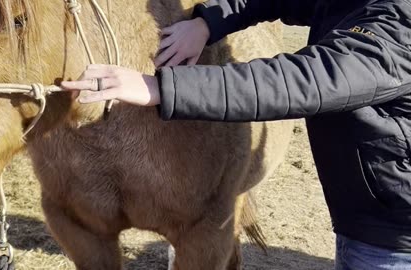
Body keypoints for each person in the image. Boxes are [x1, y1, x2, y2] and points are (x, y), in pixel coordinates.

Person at [61, 0, 411, 269]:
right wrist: (206, 21)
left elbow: (302, 81)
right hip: (367, 207)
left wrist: (159, 88)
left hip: (393, 232)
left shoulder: (399, 25)